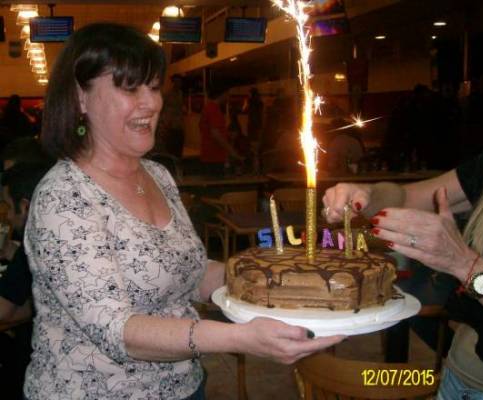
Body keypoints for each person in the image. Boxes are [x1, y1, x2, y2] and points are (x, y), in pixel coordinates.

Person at [24, 23, 343, 400]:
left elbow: (191, 272)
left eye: (155, 86)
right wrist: (239, 337)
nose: (151, 103)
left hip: (185, 386)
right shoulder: (64, 197)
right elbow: (117, 329)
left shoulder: (157, 175)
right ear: (81, 97)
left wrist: (272, 279)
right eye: (130, 88)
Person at [322, 144, 483, 399]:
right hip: (460, 369)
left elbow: (464, 263)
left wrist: (463, 263)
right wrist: (366, 194)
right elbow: (413, 197)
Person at [0, 162, 52, 400]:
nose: (8, 217)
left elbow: (3, 312)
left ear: (25, 206)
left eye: (9, 208)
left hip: (33, 373)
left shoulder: (35, 239)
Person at [198, 86, 244, 175]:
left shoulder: (208, 108)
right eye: (227, 94)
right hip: (214, 157)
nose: (228, 97)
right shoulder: (214, 109)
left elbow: (209, 131)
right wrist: (232, 152)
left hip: (208, 156)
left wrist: (228, 134)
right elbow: (216, 135)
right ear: (221, 94)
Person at [159, 73, 185, 158]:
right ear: (173, 82)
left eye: (180, 82)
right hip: (169, 127)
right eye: (176, 82)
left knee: (178, 151)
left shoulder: (181, 94)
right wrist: (163, 123)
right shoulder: (167, 95)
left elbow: (181, 109)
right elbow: (161, 109)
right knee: (170, 152)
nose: (178, 84)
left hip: (179, 126)